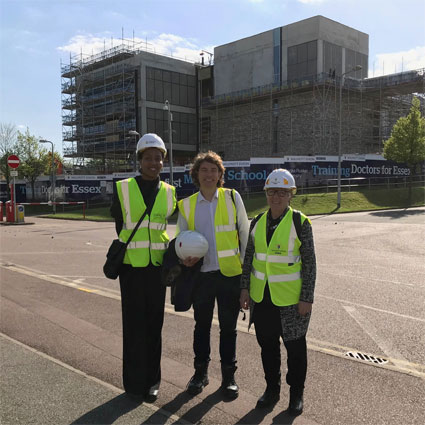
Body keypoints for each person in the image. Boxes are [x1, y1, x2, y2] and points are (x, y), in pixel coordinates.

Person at [240, 168, 316, 416]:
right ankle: (272, 390)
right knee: (268, 348)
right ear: (266, 193)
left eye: (282, 192)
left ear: (290, 194)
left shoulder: (300, 222)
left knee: (295, 351)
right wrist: (244, 289)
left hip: (292, 302)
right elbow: (249, 259)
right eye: (272, 191)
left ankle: (296, 395)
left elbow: (310, 264)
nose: (276, 196)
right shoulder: (257, 222)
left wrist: (306, 298)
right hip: (262, 299)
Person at [177, 151, 249, 400]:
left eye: (213, 170)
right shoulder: (186, 205)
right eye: (204, 170)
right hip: (202, 277)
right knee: (201, 327)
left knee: (229, 329)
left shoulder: (232, 197)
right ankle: (200, 374)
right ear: (196, 174)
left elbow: (245, 233)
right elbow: (181, 241)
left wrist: (245, 276)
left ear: (220, 174)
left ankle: (229, 378)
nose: (209, 174)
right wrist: (184, 257)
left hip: (229, 275)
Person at [110, 133, 176, 402]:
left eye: (158, 158)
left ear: (163, 162)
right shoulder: (123, 188)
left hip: (157, 269)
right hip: (131, 268)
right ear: (140, 160)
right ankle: (133, 382)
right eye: (148, 158)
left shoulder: (170, 192)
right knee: (133, 325)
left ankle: (152, 382)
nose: (153, 162)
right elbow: (118, 224)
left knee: (154, 326)